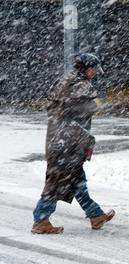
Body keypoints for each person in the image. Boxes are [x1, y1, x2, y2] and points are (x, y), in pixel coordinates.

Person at [31, 53, 115, 234]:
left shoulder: (65, 81)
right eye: (94, 70)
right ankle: (40, 219)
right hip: (68, 142)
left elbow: (58, 109)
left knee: (75, 179)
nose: (95, 74)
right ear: (89, 69)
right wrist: (96, 105)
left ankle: (95, 214)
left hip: (58, 138)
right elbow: (77, 110)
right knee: (58, 181)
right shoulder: (80, 86)